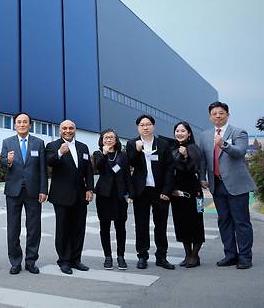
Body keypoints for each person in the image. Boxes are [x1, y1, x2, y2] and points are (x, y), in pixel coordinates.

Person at [196, 101, 255, 269]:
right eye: (214, 113)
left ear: (227, 115)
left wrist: (223, 144)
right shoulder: (205, 135)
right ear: (210, 117)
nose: (217, 116)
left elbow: (240, 152)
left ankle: (245, 256)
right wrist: (202, 177)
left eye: (221, 113)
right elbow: (202, 160)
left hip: (236, 185)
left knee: (241, 221)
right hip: (216, 184)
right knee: (224, 221)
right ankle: (230, 255)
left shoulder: (238, 132)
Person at [0, 112, 48, 275]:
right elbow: (2, 164)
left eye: (25, 122)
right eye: (19, 122)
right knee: (13, 228)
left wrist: (43, 190)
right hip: (13, 190)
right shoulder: (7, 142)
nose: (22, 124)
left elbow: (43, 169)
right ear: (15, 125)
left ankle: (31, 261)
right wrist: (9, 161)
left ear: (30, 125)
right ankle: (15, 261)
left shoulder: (39, 143)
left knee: (34, 227)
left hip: (34, 191)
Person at [127, 114, 175, 270]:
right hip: (141, 191)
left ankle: (162, 256)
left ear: (153, 126)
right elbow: (130, 164)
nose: (145, 127)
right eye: (142, 125)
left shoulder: (163, 144)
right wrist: (137, 150)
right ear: (137, 127)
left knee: (160, 225)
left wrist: (167, 191)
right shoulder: (132, 143)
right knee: (141, 225)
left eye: (148, 124)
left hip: (159, 191)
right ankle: (142, 256)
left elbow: (169, 169)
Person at [45, 120, 94, 274]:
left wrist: (90, 189)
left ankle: (75, 259)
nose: (68, 130)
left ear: (75, 129)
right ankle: (64, 260)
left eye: (71, 128)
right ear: (60, 130)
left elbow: (88, 170)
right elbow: (49, 162)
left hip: (80, 195)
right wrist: (60, 153)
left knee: (79, 228)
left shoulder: (83, 147)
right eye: (64, 128)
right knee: (63, 229)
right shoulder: (52, 146)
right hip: (61, 196)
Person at [93, 128, 132, 271]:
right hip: (104, 196)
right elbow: (98, 168)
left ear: (116, 140)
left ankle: (121, 257)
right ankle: (108, 257)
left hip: (120, 196)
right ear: (102, 140)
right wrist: (104, 153)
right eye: (105, 137)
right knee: (105, 227)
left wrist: (130, 194)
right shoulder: (98, 153)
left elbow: (127, 175)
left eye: (111, 137)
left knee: (120, 227)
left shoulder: (123, 155)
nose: (108, 139)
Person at [169, 121, 205, 268]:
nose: (179, 133)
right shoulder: (173, 149)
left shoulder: (193, 148)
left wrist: (185, 157)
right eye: (177, 131)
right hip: (177, 192)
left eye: (183, 131)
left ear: (189, 133)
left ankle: (195, 255)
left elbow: (192, 169)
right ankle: (187, 254)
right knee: (181, 224)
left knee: (195, 223)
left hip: (193, 191)